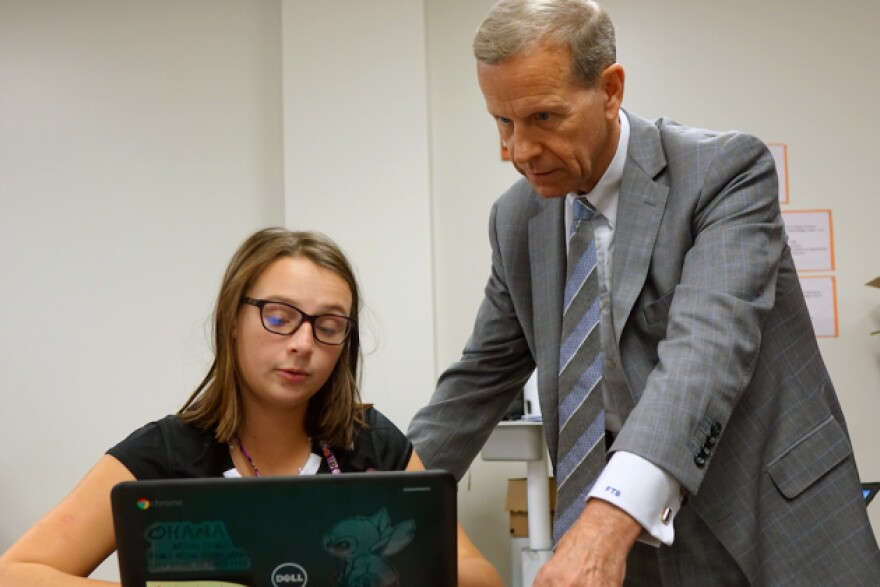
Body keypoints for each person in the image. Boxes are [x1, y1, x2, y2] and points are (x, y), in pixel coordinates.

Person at [408, 0, 880, 585]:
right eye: (503, 123)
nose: (519, 151)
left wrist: (602, 527)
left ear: (609, 89)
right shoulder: (516, 220)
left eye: (543, 118)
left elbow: (704, 355)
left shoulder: (723, 173)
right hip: (643, 551)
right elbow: (478, 380)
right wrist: (376, 499)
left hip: (770, 520)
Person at [0, 227, 502, 587]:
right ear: (232, 320)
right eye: (279, 316)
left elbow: (480, 575)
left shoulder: (370, 442)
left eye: (328, 325)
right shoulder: (166, 454)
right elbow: (16, 572)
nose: (303, 343)